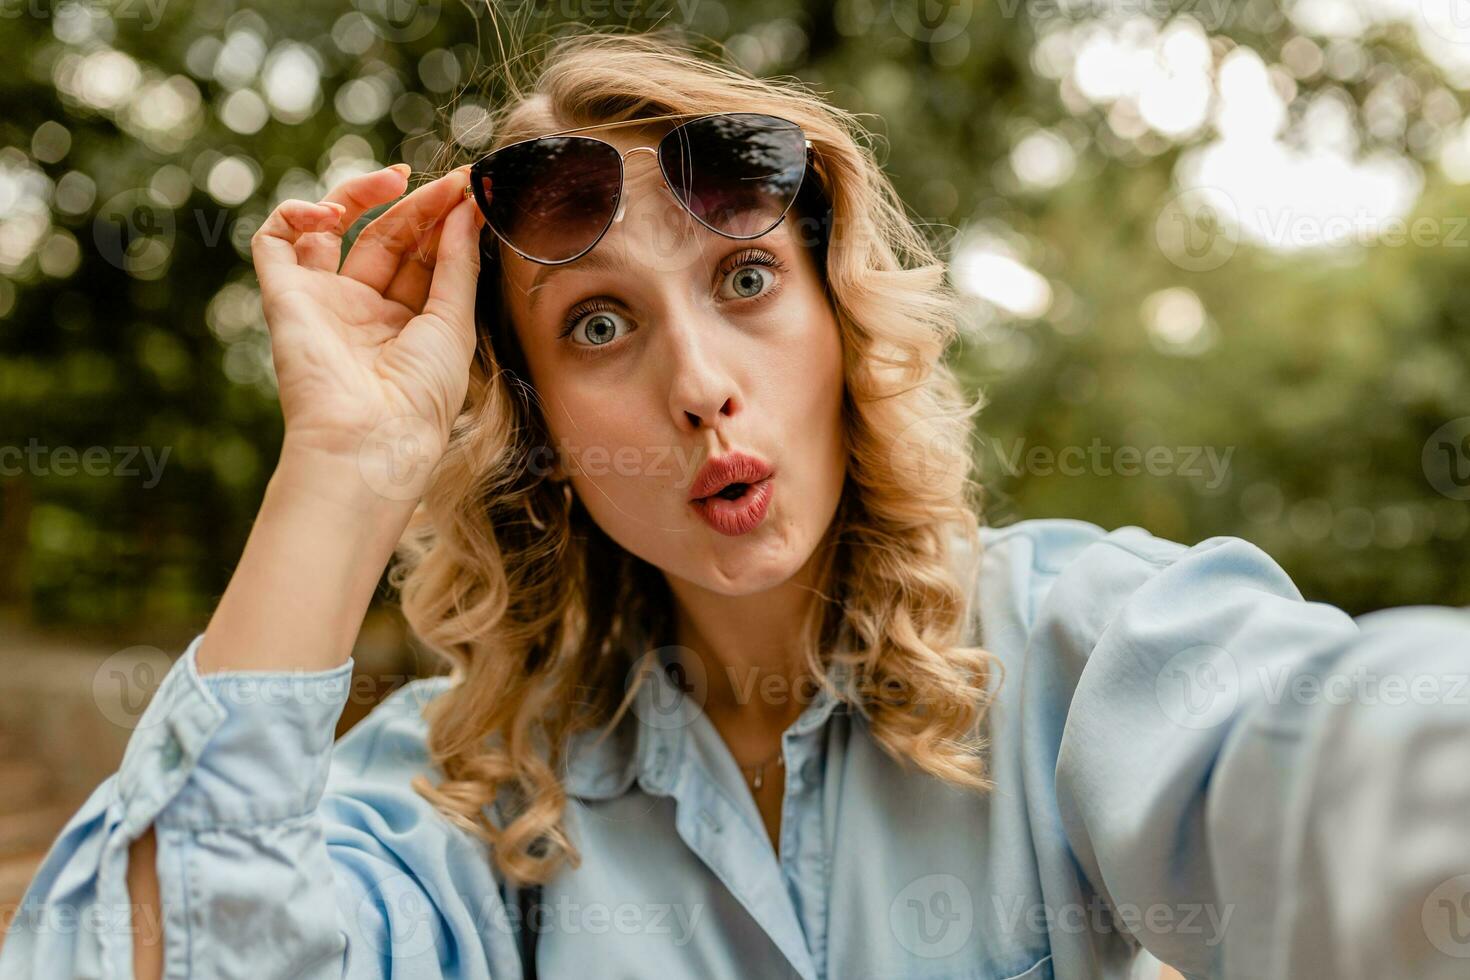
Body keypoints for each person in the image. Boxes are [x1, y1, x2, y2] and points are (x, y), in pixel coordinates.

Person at [3, 28, 1469, 980]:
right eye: (595, 325)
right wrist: (342, 470)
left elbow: (1355, 766)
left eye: (746, 279)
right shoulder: (463, 798)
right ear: (536, 427)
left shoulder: (1076, 642)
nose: (698, 382)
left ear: (837, 320)